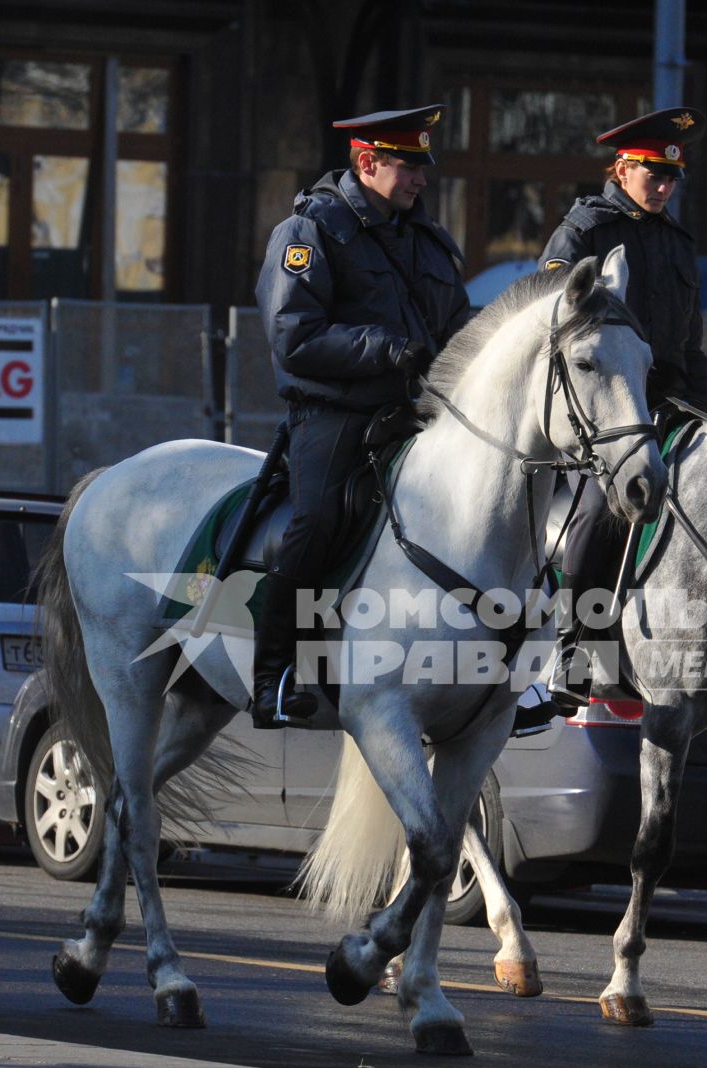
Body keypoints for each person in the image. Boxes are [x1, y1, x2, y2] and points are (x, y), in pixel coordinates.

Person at [252, 103, 472, 728]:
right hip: (336, 412)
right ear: (367, 161)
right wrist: (386, 348)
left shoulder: (424, 240)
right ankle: (273, 675)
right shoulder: (309, 232)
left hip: (418, 411)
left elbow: (458, 327)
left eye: (422, 168)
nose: (421, 180)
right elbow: (293, 335)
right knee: (318, 521)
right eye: (408, 167)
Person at [536, 107, 707, 709]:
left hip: (666, 400)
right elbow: (554, 319)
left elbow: (689, 344)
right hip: (602, 409)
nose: (663, 187)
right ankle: (577, 648)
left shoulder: (677, 242)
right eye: (652, 175)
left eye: (671, 178)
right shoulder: (584, 231)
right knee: (602, 511)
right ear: (621, 168)